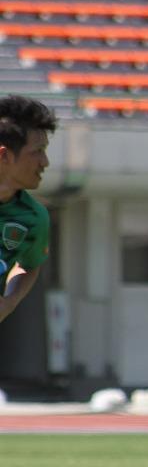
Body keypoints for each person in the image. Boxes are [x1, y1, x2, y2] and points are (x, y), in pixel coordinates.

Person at [0, 95, 56, 325]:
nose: (45, 162)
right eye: (37, 151)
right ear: (4, 155)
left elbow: (29, 266)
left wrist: (10, 302)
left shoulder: (34, 217)